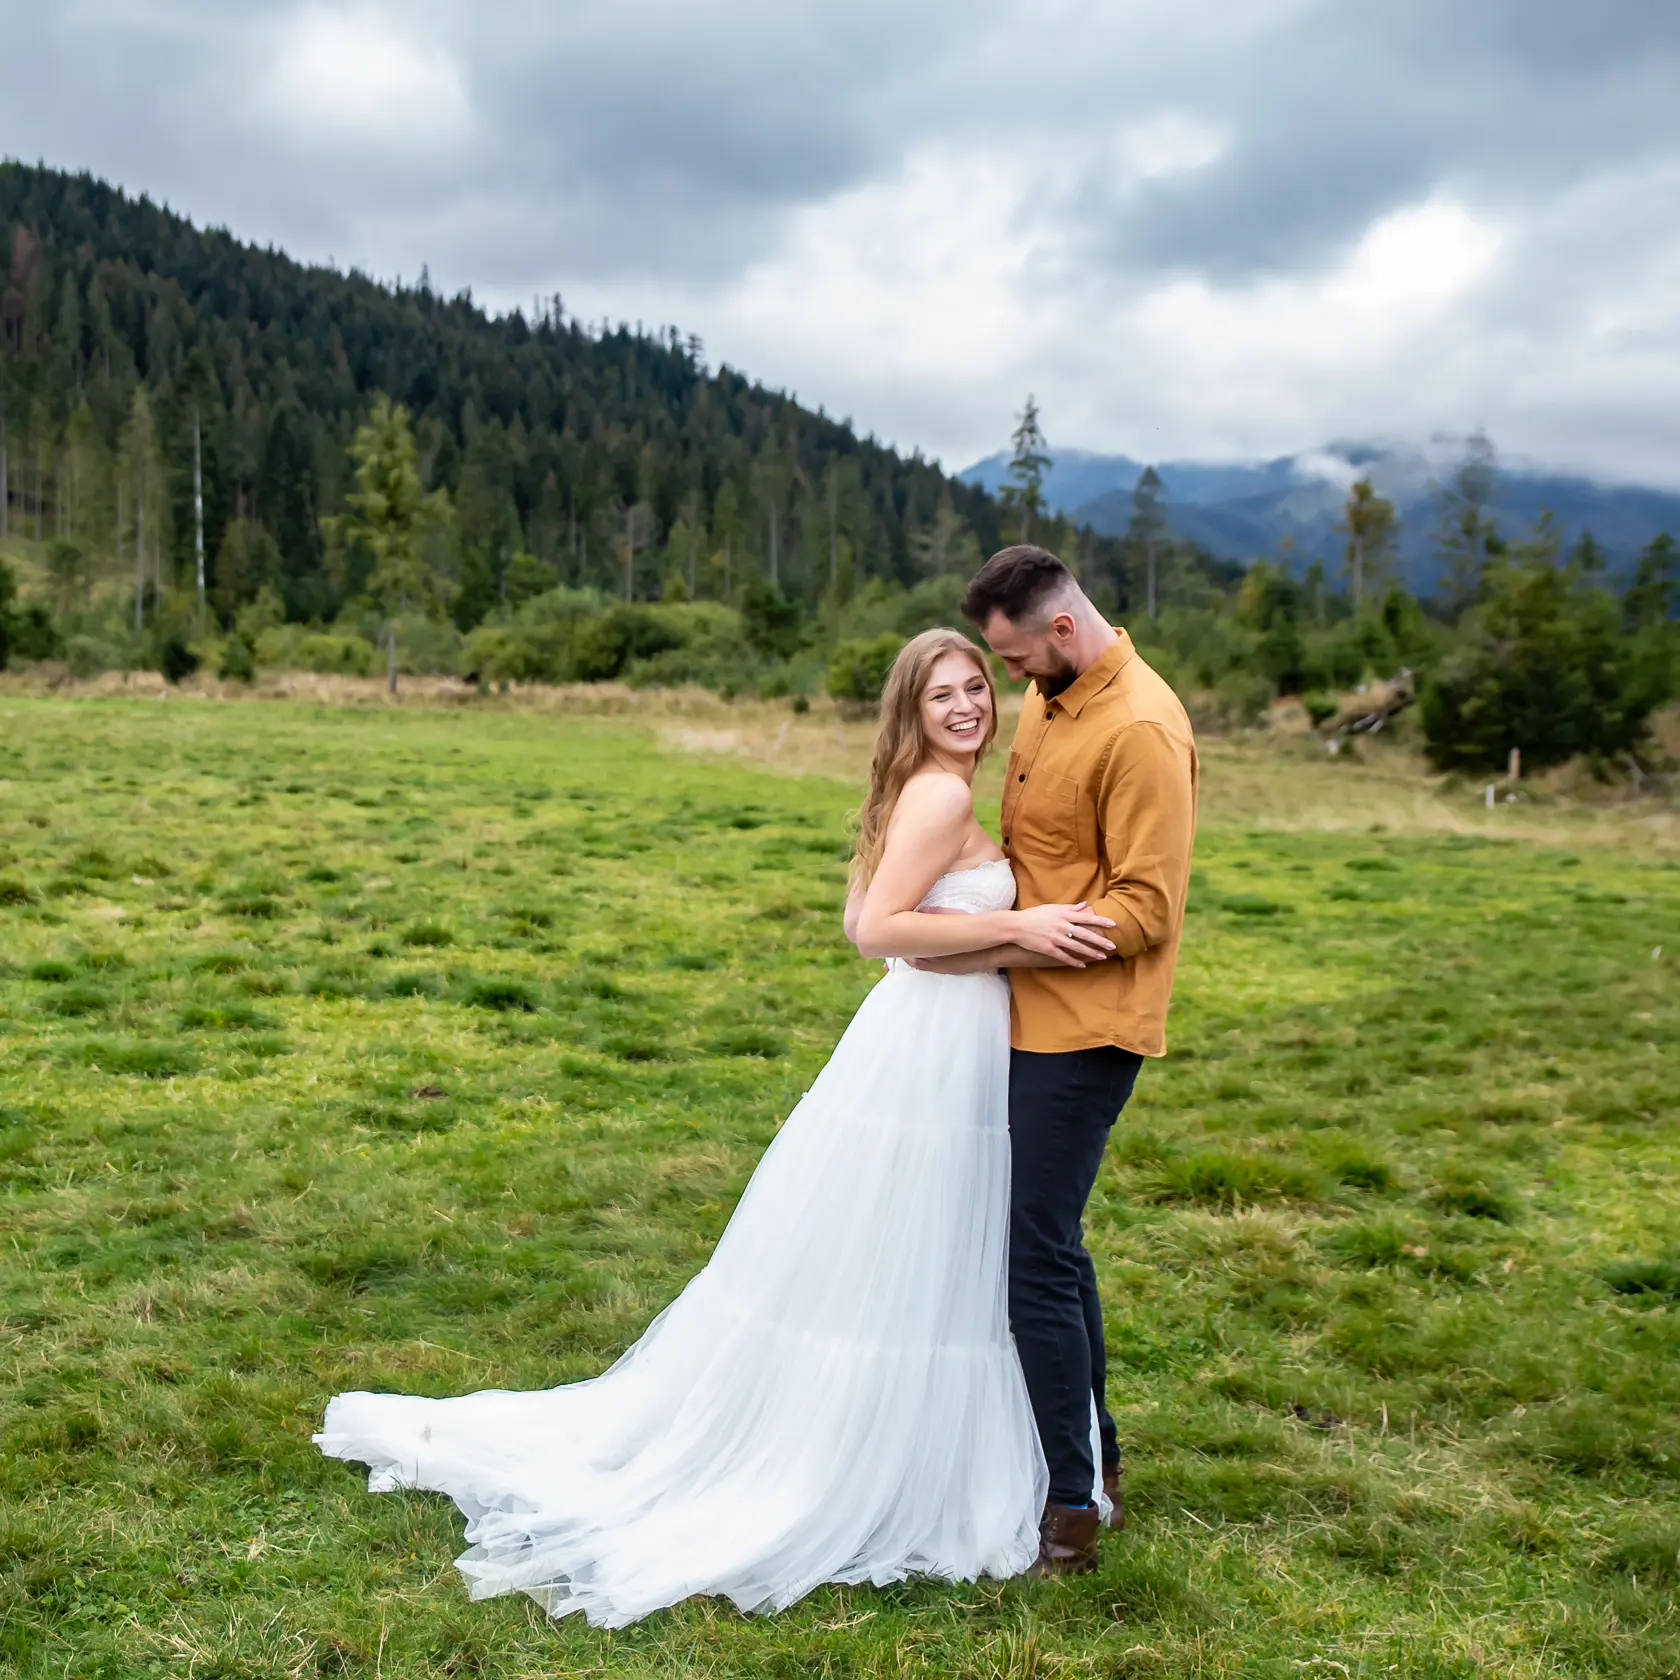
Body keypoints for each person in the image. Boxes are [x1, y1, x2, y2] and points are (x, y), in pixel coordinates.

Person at [313, 627, 1116, 1627]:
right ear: (911, 711)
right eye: (941, 695)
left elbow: (883, 927)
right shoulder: (942, 796)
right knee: (936, 1244)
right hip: (938, 1049)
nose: (966, 708)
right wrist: (1020, 928)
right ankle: (904, 1464)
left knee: (922, 1248)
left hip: (932, 1030)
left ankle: (953, 1451)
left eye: (976, 689)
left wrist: (990, 949)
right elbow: (877, 931)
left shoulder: (921, 788)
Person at [912, 546, 1197, 1574]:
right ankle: (1095, 1462)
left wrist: (1016, 938)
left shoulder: (1142, 729)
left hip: (1086, 1028)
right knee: (1053, 1248)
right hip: (1017, 1011)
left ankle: (1068, 1511)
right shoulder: (1053, 694)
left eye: (1016, 658)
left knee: (1032, 1256)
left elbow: (1146, 907)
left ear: (1062, 630)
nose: (1011, 680)